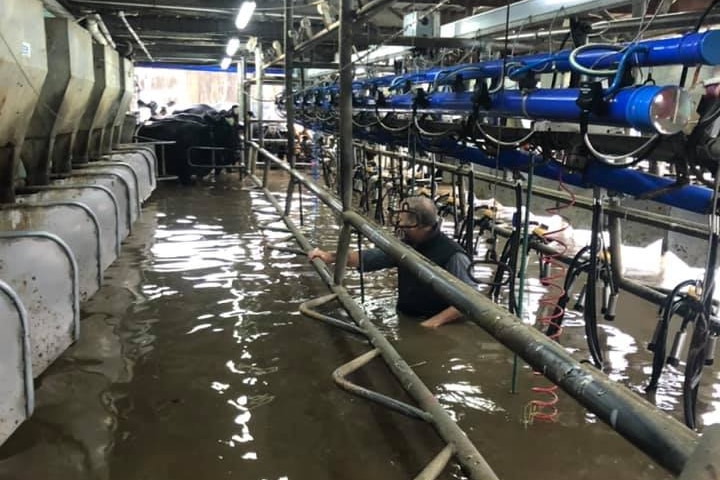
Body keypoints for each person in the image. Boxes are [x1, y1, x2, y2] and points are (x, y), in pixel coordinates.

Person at [308, 196, 476, 328]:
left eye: (403, 221)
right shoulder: (407, 245)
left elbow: (471, 301)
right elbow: (370, 257)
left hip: (435, 325)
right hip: (409, 318)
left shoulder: (453, 255)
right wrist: (330, 257)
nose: (399, 225)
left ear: (420, 225)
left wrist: (435, 323)